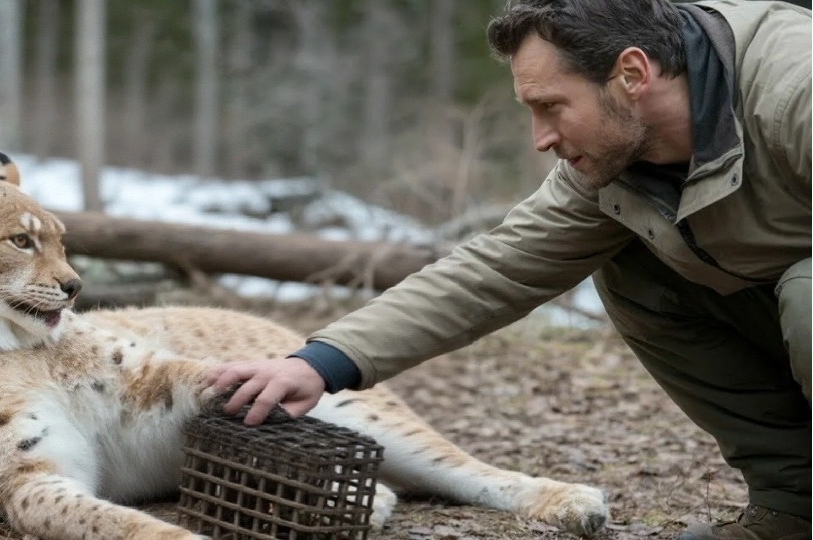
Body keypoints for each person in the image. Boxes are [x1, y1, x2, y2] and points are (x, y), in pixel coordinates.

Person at [204, 1, 811, 538]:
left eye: (551, 106)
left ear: (632, 74)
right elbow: (495, 269)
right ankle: (795, 507)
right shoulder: (611, 163)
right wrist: (318, 363)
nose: (540, 138)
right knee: (637, 272)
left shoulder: (795, 89)